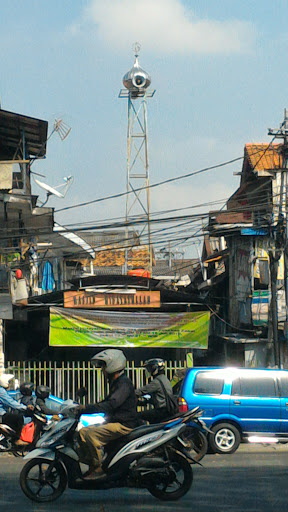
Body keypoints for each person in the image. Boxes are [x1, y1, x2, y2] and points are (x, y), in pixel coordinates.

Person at [77, 349, 139, 480]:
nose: (102, 370)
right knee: (82, 432)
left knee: (90, 434)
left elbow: (112, 404)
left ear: (113, 365)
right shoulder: (117, 383)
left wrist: (87, 408)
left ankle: (98, 468)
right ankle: (94, 465)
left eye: (103, 366)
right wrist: (87, 408)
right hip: (115, 421)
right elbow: (106, 402)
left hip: (123, 424)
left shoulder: (124, 383)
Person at [135, 358, 174, 424]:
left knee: (137, 416)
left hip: (161, 411)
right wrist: (146, 402)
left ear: (155, 368)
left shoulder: (157, 382)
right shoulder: (164, 378)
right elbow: (160, 396)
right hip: (166, 410)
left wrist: (128, 394)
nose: (148, 371)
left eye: (149, 369)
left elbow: (141, 391)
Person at [0, 373, 33, 445]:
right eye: (9, 382)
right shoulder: (1, 391)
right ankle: (16, 440)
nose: (10, 384)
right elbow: (11, 403)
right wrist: (25, 408)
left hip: (2, 414)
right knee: (19, 418)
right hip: (1, 415)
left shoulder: (3, 391)